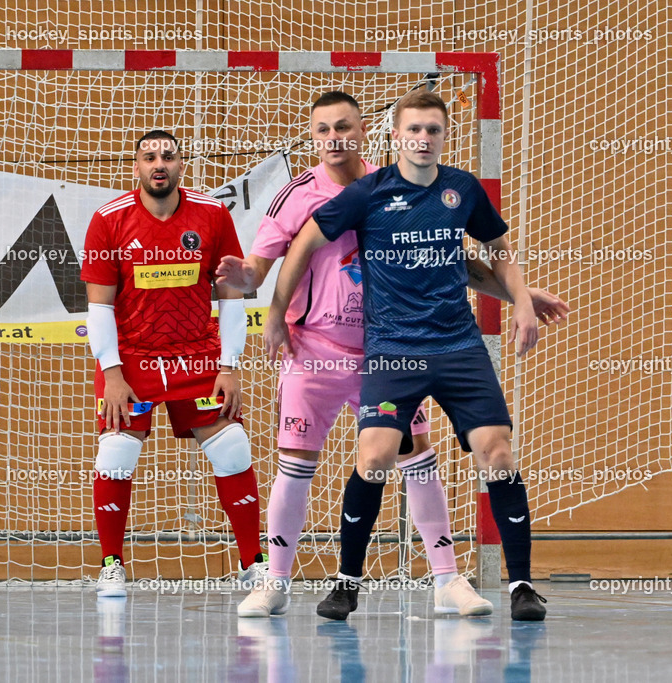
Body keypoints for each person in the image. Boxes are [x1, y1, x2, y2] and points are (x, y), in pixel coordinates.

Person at [218, 92, 568, 618]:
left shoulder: (419, 183)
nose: (335, 138)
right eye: (323, 130)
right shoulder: (318, 195)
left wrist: (517, 295)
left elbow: (453, 259)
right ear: (313, 136)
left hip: (399, 351)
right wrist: (262, 301)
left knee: (420, 458)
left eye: (344, 128)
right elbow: (277, 258)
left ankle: (449, 579)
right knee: (300, 464)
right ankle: (277, 580)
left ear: (365, 133)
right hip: (320, 349)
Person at [81, 130, 267, 597]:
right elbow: (99, 307)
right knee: (116, 455)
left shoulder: (211, 214)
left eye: (167, 155)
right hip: (134, 361)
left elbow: (231, 297)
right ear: (137, 166)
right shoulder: (108, 220)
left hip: (198, 357)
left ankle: (253, 563)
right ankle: (111, 565)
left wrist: (230, 365)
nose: (158, 163)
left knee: (233, 450)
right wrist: (112, 374)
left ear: (181, 163)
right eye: (149, 157)